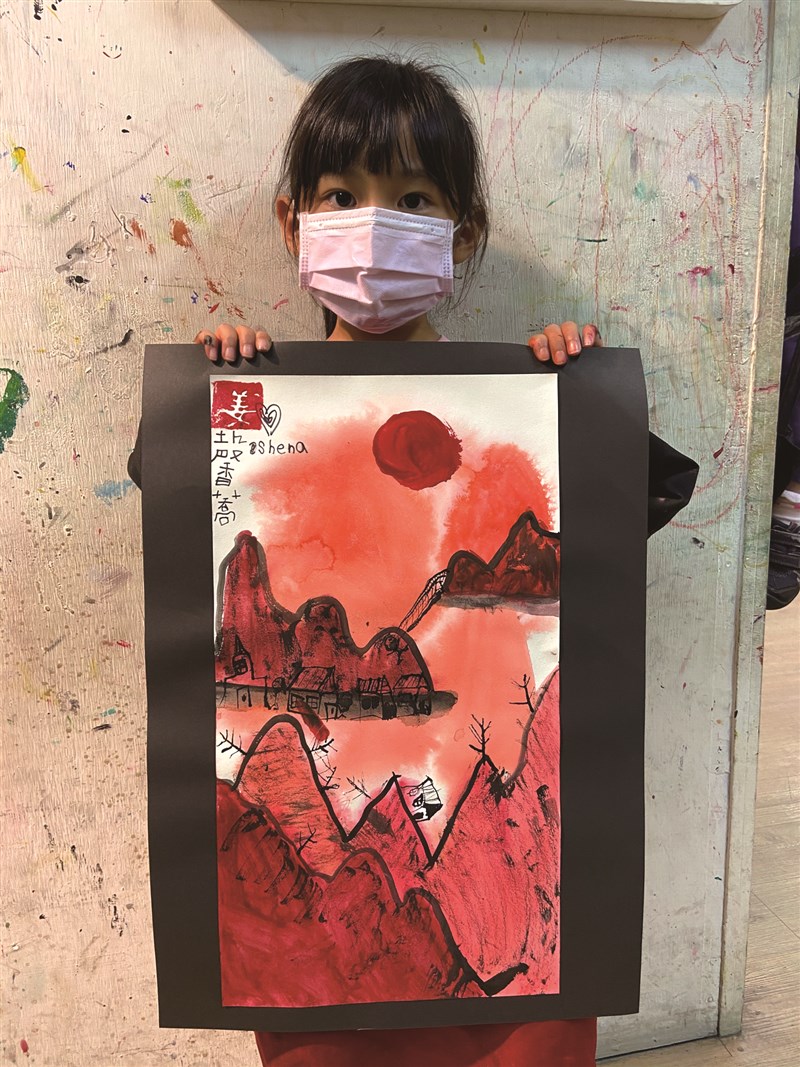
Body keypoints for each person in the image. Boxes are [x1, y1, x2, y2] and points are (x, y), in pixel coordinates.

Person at [131, 54, 697, 1067]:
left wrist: (572, 400)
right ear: (291, 221)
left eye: (413, 198)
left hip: (517, 955)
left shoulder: (530, 398)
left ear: (461, 232)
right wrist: (212, 397)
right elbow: (166, 497)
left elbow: (640, 504)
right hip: (326, 990)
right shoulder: (249, 402)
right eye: (340, 195)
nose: (372, 224)